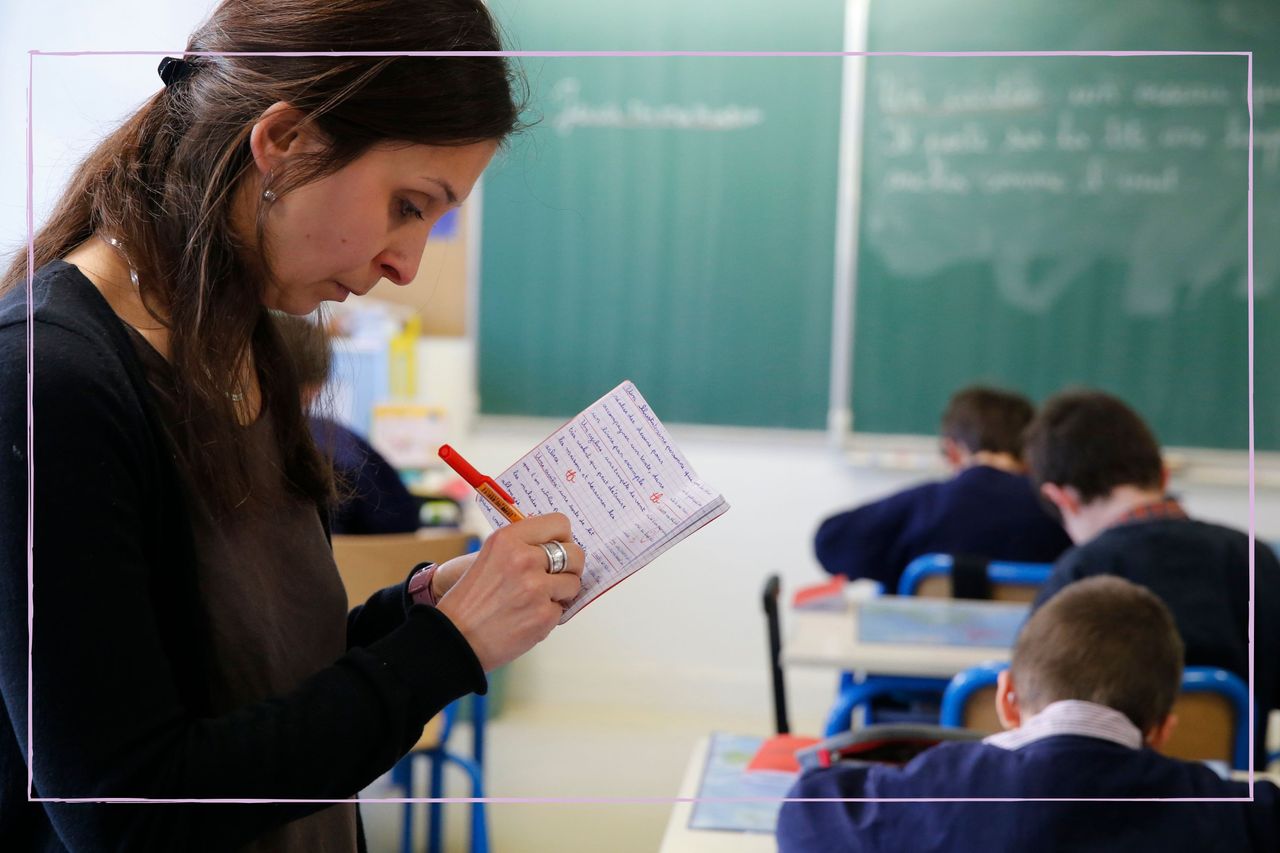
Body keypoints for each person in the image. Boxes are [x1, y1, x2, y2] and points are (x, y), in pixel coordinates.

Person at [0, 2, 586, 850]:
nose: (405, 263)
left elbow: (255, 687)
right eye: (408, 205)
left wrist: (419, 612)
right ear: (285, 141)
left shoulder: (243, 343)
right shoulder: (49, 381)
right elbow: (124, 805)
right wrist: (443, 652)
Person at [777, 576, 1280, 852]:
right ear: (1164, 730)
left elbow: (804, 812)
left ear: (1006, 700)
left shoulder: (938, 790)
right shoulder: (1232, 815)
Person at [1025, 388, 1280, 761]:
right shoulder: (1253, 558)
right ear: (1162, 476)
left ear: (1062, 498)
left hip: (1103, 800)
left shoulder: (1076, 574)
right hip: (1226, 799)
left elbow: (1037, 710)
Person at [814, 386, 1071, 591]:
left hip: (916, 652)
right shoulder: (1062, 513)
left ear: (952, 452)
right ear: (1031, 452)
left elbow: (829, 543)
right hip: (1028, 654)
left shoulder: (924, 505)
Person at [274, 312, 421, 535]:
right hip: (367, 566)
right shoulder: (339, 441)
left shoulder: (223, 447)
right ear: (316, 388)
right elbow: (403, 521)